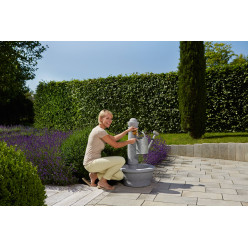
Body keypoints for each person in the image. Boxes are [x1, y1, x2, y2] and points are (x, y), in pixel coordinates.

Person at [83, 109, 137, 190]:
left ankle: (95, 175)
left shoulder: (101, 130)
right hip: (90, 163)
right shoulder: (99, 131)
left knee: (119, 176)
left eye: (111, 119)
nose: (110, 121)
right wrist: (129, 142)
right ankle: (103, 182)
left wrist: (127, 131)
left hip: (97, 162)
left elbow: (114, 138)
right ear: (101, 119)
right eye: (107, 118)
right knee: (121, 160)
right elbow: (115, 145)